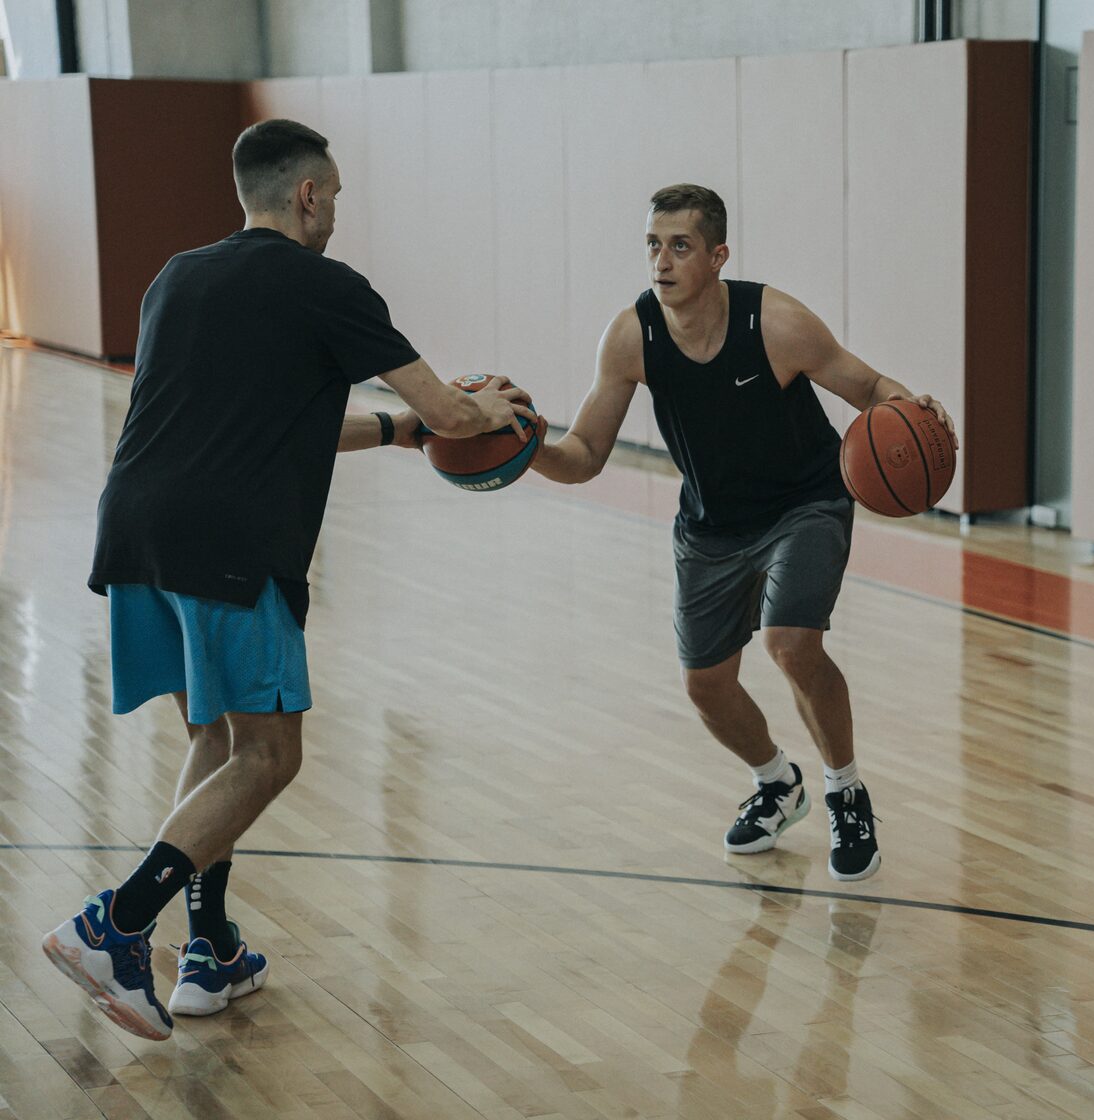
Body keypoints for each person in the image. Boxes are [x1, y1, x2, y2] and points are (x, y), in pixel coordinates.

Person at [41, 119, 536, 1042]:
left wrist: (397, 433)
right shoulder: (327, 286)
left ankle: (209, 951)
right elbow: (452, 406)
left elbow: (271, 419)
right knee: (270, 754)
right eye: (336, 195)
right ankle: (116, 925)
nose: (338, 213)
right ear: (307, 193)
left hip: (136, 531)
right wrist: (491, 409)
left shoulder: (176, 278)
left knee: (219, 736)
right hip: (229, 543)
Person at [530, 184, 956, 882]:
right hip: (711, 524)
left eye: (680, 245)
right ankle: (775, 782)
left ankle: (845, 791)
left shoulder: (778, 322)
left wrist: (915, 409)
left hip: (806, 503)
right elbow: (582, 456)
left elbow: (868, 385)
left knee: (791, 645)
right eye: (651, 245)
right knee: (705, 685)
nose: (660, 261)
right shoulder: (632, 336)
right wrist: (525, 451)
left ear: (718, 255)